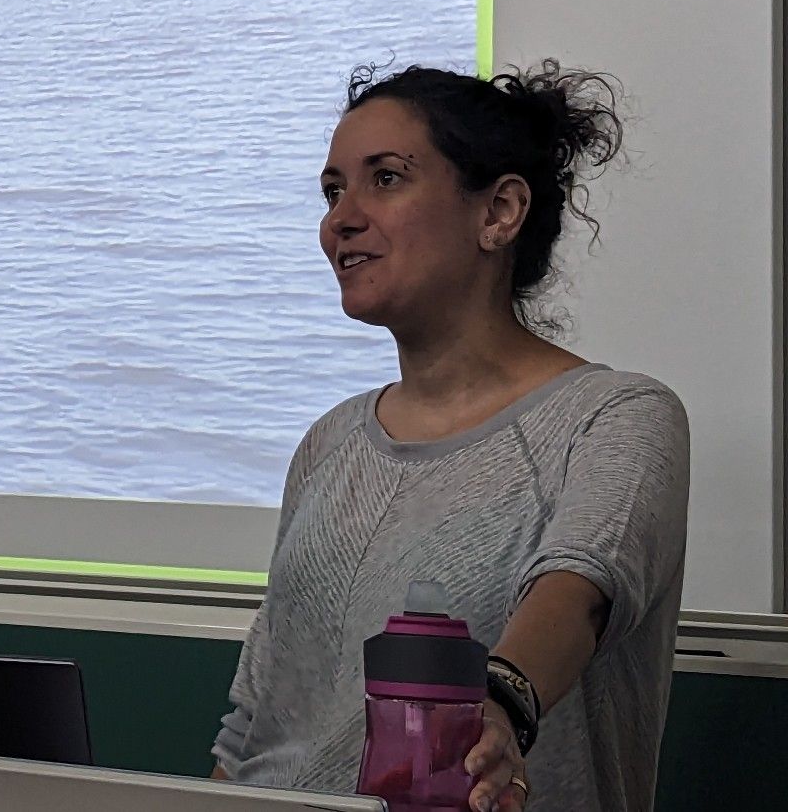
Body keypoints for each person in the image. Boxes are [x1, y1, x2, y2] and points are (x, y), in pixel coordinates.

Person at [209, 62, 689, 812]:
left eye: (387, 179)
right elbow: (254, 733)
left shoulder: (615, 416)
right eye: (333, 191)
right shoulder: (327, 445)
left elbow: (577, 590)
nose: (342, 217)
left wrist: (498, 704)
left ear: (498, 211)